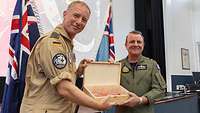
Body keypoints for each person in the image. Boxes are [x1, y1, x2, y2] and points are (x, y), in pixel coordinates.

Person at [20, 1, 113, 113]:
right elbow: (64, 88)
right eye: (76, 15)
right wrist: (98, 104)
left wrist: (78, 71)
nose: (79, 22)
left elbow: (54, 75)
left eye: (84, 19)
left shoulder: (67, 43)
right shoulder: (54, 43)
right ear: (65, 14)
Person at [116, 30, 166, 113]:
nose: (136, 44)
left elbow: (160, 90)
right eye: (132, 42)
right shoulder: (118, 65)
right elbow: (111, 88)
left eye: (139, 42)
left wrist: (140, 100)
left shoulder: (152, 65)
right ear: (126, 45)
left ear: (143, 45)